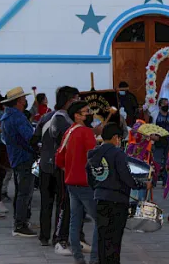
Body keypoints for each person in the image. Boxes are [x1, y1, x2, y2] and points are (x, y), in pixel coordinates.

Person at [87, 122, 152, 264]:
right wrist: (142, 185)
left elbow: (90, 176)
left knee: (102, 238)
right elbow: (126, 177)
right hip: (117, 201)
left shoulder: (93, 154)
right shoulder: (118, 154)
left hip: (100, 199)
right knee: (114, 240)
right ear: (115, 137)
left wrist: (98, 188)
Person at [33, 86, 80, 253]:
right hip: (60, 168)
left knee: (46, 202)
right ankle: (59, 237)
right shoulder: (68, 120)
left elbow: (34, 140)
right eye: (76, 98)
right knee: (62, 203)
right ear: (70, 100)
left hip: (45, 165)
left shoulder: (45, 117)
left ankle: (44, 236)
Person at [55, 101, 98, 264]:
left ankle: (78, 258)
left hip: (71, 182)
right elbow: (93, 157)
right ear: (77, 115)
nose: (89, 114)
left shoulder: (69, 131)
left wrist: (71, 168)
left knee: (75, 220)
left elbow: (59, 159)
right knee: (99, 220)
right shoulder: (86, 132)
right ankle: (95, 258)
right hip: (85, 184)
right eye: (86, 111)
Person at [0, 87, 37, 237]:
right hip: (25, 157)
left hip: (16, 157)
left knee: (21, 191)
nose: (25, 101)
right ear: (18, 101)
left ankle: (21, 221)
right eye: (23, 98)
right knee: (25, 192)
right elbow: (29, 138)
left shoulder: (7, 116)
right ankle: (20, 224)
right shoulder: (18, 118)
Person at [150, 98, 169, 185]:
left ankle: (166, 182)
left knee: (167, 162)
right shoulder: (155, 115)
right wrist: (153, 137)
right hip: (158, 140)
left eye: (167, 104)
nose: (166, 106)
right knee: (156, 162)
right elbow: (151, 127)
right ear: (160, 105)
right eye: (164, 104)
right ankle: (153, 181)